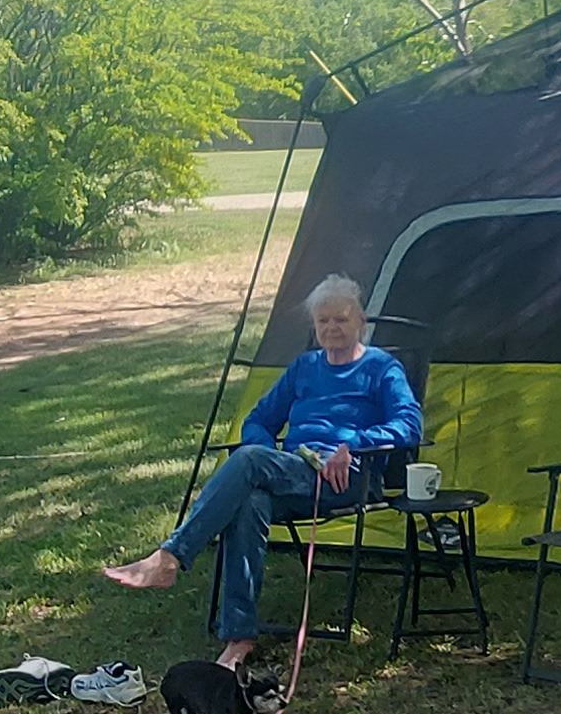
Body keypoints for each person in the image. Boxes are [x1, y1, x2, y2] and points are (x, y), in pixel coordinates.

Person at [104, 274, 421, 665]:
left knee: (250, 461)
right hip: (295, 471)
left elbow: (409, 424)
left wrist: (353, 446)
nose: (332, 328)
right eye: (323, 321)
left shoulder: (381, 368)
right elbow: (258, 421)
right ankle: (239, 638)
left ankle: (171, 557)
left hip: (351, 476)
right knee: (251, 497)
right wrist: (270, 453)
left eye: (340, 319)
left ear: (360, 321)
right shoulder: (304, 367)